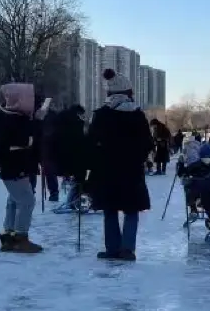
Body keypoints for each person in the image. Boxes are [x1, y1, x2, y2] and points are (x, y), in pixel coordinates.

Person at [87, 69, 154, 261]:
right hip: (132, 170)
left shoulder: (101, 115)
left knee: (110, 209)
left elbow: (91, 142)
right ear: (128, 93)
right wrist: (138, 157)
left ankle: (112, 248)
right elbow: (147, 143)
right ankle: (127, 249)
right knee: (131, 210)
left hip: (107, 170)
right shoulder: (137, 115)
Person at [0, 83, 43, 253]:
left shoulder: (8, 118)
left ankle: (9, 235)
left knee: (14, 200)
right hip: (15, 166)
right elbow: (26, 140)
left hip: (11, 166)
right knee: (27, 201)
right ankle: (21, 237)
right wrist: (38, 122)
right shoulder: (14, 120)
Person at [51, 105, 90, 210]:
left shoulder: (60, 122)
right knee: (79, 181)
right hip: (77, 158)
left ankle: (72, 201)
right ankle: (74, 202)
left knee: (76, 182)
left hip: (63, 158)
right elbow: (82, 140)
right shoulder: (77, 124)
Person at [178, 143, 210, 218]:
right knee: (188, 186)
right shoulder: (196, 165)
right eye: (203, 157)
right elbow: (182, 174)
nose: (206, 159)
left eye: (208, 156)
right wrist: (181, 164)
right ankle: (193, 210)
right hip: (198, 193)